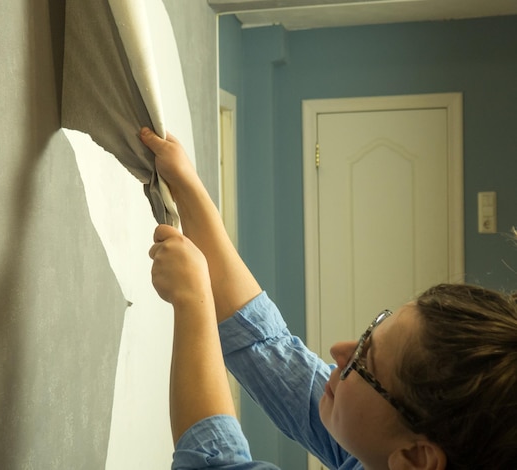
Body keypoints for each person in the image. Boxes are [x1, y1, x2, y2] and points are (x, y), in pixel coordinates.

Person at [140, 127, 517, 470]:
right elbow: (267, 345)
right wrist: (187, 186)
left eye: (365, 363)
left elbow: (216, 466)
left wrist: (193, 303)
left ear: (416, 458)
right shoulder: (373, 454)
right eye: (371, 331)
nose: (341, 350)